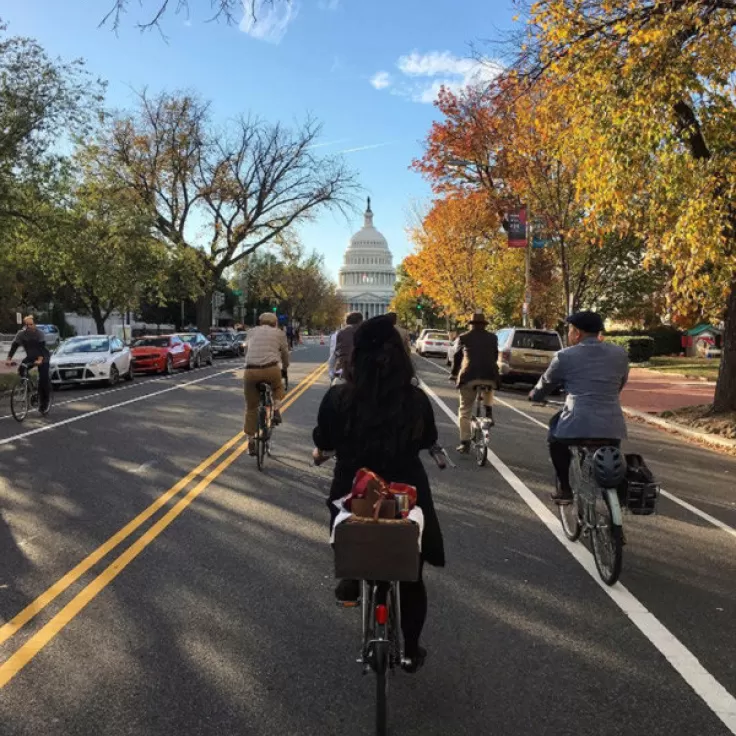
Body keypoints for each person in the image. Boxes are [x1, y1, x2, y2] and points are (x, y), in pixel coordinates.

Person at [313, 316, 445, 673]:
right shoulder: (415, 400)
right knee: (413, 575)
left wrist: (326, 449)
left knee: (342, 512)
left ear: (356, 358)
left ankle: (350, 574)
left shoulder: (338, 398)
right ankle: (411, 649)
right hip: (406, 494)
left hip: (355, 491)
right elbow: (426, 437)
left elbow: (323, 441)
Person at [529, 310, 629, 504]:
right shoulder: (620, 354)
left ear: (577, 333)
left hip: (577, 421)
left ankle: (565, 489)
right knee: (610, 453)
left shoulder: (565, 356)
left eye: (569, 330)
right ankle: (613, 503)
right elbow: (620, 383)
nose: (568, 334)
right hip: (612, 422)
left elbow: (546, 383)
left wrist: (535, 395)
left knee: (555, 440)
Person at [450, 312, 499, 453]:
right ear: (484, 325)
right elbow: (495, 356)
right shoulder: (493, 338)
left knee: (464, 410)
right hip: (490, 375)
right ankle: (488, 410)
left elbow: (457, 357)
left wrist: (454, 374)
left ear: (471, 325)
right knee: (489, 385)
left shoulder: (464, 337)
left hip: (469, 376)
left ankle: (465, 442)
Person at [243, 312, 290, 456]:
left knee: (251, 407)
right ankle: (276, 409)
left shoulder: (251, 332)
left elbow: (246, 349)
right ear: (275, 323)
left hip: (250, 371)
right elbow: (285, 353)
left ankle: (250, 441)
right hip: (271, 369)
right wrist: (285, 367)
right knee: (277, 387)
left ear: (260, 322)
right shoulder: (279, 333)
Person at [5, 315, 52, 413]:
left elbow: (41, 348)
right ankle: (29, 388)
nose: (29, 326)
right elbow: (14, 346)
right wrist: (9, 359)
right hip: (31, 357)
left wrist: (40, 360)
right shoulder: (21, 334)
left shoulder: (40, 334)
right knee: (22, 369)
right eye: (27, 325)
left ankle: (45, 402)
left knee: (43, 379)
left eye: (31, 324)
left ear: (34, 324)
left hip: (43, 357)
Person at [327, 311, 363, 383]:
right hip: (360, 373)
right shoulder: (366, 333)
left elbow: (334, 355)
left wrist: (331, 372)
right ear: (360, 321)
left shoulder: (338, 334)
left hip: (342, 372)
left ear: (346, 322)